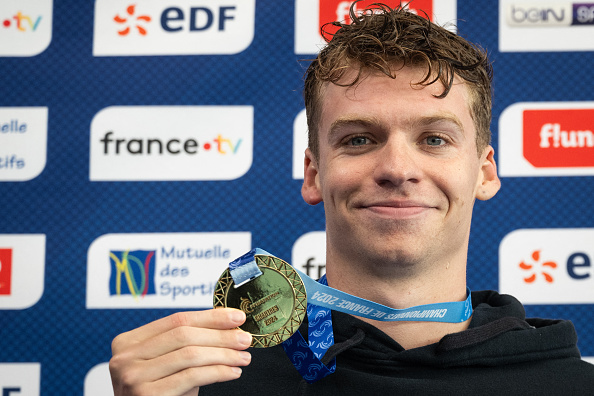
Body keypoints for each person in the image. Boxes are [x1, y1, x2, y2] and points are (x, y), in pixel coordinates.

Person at [109, 3, 594, 395]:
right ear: (314, 174)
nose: (397, 170)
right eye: (359, 139)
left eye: (434, 139)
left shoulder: (573, 385)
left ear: (484, 172)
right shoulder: (211, 382)